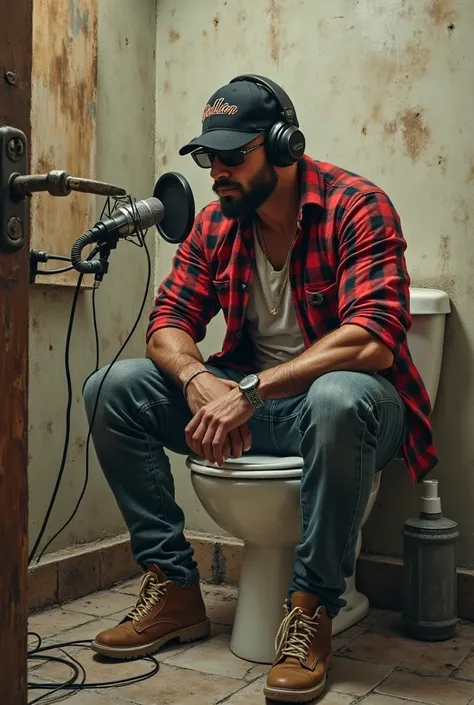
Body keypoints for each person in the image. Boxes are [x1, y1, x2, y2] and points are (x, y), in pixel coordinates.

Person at [83, 74, 437, 703]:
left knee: (337, 396)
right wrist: (196, 381)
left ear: (282, 146)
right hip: (254, 400)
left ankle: (310, 610)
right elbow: (167, 324)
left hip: (351, 408)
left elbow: (373, 339)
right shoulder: (217, 225)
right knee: (115, 386)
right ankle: (174, 587)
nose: (217, 171)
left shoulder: (357, 205)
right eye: (208, 157)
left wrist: (248, 390)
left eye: (232, 155)